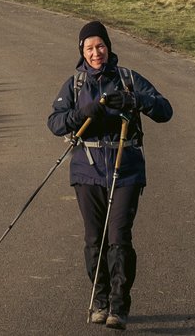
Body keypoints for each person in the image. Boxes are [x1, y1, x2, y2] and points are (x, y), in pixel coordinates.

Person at [47, 19, 173, 329]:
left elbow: (165, 110)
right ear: (81, 51)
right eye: (89, 48)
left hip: (126, 168)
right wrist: (80, 114)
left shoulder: (129, 78)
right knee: (95, 239)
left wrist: (134, 100)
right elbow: (55, 122)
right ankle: (99, 300)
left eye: (100, 46)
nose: (95, 52)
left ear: (109, 47)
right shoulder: (75, 85)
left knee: (118, 236)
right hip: (86, 171)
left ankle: (119, 304)